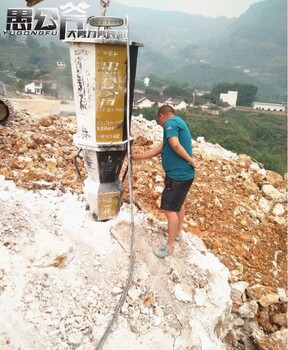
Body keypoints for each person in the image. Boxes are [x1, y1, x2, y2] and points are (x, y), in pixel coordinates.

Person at [131, 105, 196, 258]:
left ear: (161, 116)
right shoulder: (179, 122)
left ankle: (169, 246)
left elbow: (174, 144)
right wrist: (137, 157)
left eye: (159, 122)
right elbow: (160, 148)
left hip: (177, 176)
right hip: (185, 175)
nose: (161, 126)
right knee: (179, 205)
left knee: (169, 210)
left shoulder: (170, 123)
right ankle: (178, 232)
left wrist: (190, 160)